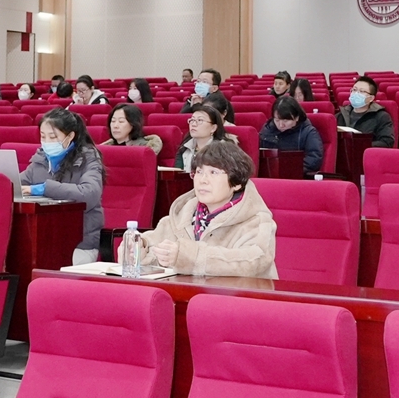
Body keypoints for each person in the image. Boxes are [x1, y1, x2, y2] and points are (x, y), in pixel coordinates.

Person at [121, 141, 277, 279]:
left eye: (213, 172)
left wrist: (190, 256)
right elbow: (154, 252)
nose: (203, 180)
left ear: (237, 183)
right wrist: (139, 249)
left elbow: (255, 261)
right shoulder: (179, 217)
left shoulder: (257, 220)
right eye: (199, 172)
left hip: (239, 300)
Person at [19, 108, 105, 265]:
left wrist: (45, 188)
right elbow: (18, 183)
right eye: (43, 136)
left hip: (79, 242)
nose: (47, 142)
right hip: (44, 238)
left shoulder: (88, 158)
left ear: (70, 136)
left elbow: (89, 193)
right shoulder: (41, 159)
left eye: (53, 137)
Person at [259, 96, 324, 174]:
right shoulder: (267, 130)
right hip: (269, 175)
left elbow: (314, 158)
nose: (281, 125)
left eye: (285, 121)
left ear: (296, 118)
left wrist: (290, 169)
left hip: (296, 176)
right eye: (277, 120)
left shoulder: (308, 132)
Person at [336, 76, 394, 148]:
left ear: (371, 98)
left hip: (367, 153)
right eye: (354, 90)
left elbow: (387, 142)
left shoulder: (381, 117)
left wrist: (362, 145)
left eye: (362, 91)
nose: (356, 94)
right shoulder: (341, 115)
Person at [175, 105, 236, 173]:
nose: (193, 124)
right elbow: (178, 175)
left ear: (213, 128)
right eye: (192, 120)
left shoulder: (224, 150)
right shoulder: (184, 149)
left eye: (200, 120)